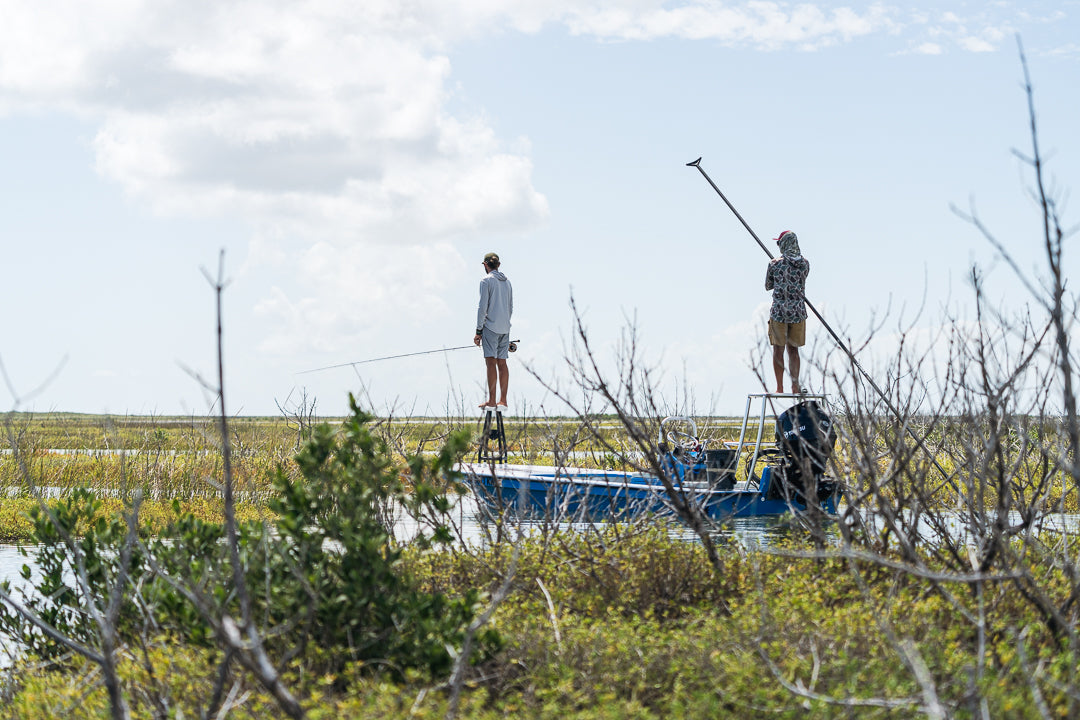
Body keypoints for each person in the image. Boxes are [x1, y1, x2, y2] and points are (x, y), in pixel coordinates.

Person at [765, 230, 809, 394]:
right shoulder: (805, 264)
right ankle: (795, 387)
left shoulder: (774, 264)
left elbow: (768, 286)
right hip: (798, 312)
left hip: (779, 313)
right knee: (794, 350)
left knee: (778, 349)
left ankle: (779, 387)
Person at [473, 252, 513, 409]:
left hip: (490, 327)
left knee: (490, 363)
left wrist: (478, 331)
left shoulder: (485, 281)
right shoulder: (507, 282)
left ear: (485, 265)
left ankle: (491, 401)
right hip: (505, 327)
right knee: (502, 363)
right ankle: (503, 400)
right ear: (499, 265)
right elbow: (510, 306)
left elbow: (482, 307)